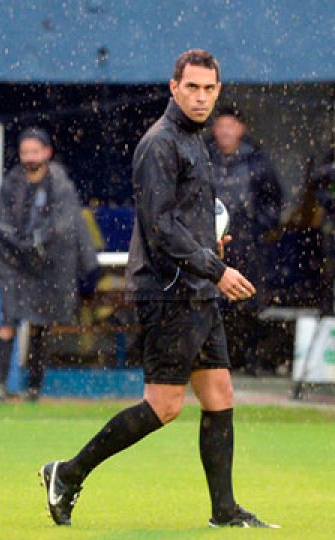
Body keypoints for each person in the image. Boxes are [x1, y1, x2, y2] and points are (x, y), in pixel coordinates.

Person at [39, 50, 277, 529]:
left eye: (210, 89)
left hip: (196, 289)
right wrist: (215, 268)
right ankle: (66, 472)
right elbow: (160, 226)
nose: (202, 97)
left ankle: (224, 511)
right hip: (169, 292)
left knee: (219, 395)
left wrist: (212, 245)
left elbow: (185, 218)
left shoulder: (194, 141)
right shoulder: (159, 143)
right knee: (164, 406)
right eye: (193, 87)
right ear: (174, 88)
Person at [0, 127, 97, 400]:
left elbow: (63, 226)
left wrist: (39, 244)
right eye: (25, 152)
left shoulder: (60, 184)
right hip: (14, 263)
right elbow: (1, 225)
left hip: (48, 265)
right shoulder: (10, 183)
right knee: (9, 320)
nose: (29, 157)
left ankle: (34, 387)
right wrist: (20, 245)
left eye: (35, 151)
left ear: (47, 152)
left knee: (41, 323)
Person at [206, 108, 282, 375]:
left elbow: (274, 202)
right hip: (209, 247)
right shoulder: (204, 159)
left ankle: (250, 359)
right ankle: (217, 360)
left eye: (231, 126)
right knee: (212, 302)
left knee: (248, 302)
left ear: (241, 129)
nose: (226, 131)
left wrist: (255, 227)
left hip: (249, 246)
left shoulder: (256, 162)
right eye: (221, 126)